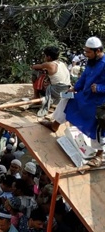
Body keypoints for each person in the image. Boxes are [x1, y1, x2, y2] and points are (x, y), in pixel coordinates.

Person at [44, 37, 105, 167]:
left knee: (96, 126)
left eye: (89, 52)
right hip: (85, 95)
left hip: (99, 102)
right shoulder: (91, 61)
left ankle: (99, 155)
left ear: (98, 51)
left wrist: (100, 88)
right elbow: (84, 78)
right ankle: (55, 124)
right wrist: (74, 88)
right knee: (65, 96)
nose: (86, 55)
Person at [30, 46, 71, 116]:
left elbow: (35, 67)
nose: (44, 57)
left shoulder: (50, 64)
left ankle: (36, 96)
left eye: (45, 56)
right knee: (50, 80)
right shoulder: (62, 64)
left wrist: (33, 66)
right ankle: (55, 99)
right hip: (67, 90)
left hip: (57, 91)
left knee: (36, 73)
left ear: (48, 57)